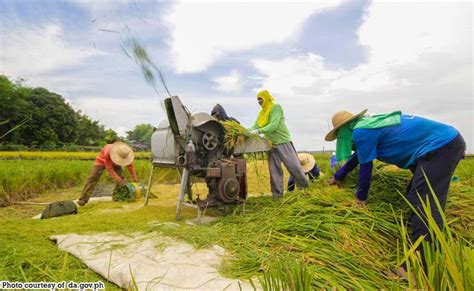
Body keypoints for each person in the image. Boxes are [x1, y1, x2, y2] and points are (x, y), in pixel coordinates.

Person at [325, 109, 466, 273]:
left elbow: (366, 166)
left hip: (440, 146)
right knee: (415, 194)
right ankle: (422, 239)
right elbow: (358, 157)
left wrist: (360, 197)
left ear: (345, 129)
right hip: (443, 143)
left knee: (423, 202)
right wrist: (339, 176)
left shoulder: (362, 131)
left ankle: (418, 267)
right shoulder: (370, 125)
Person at [247, 90, 309, 198]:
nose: (259, 101)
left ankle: (305, 188)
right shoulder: (261, 113)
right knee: (274, 171)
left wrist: (257, 132)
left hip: (283, 142)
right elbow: (255, 126)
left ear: (266, 98)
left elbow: (273, 125)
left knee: (294, 167)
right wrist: (245, 131)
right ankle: (277, 196)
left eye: (261, 99)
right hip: (271, 145)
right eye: (257, 100)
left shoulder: (276, 108)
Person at [77, 141, 138, 206]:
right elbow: (109, 169)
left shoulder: (125, 153)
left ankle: (117, 197)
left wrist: (134, 179)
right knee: (93, 178)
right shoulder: (108, 152)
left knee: (121, 177)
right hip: (101, 161)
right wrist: (119, 181)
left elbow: (130, 166)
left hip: (116, 164)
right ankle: (83, 199)